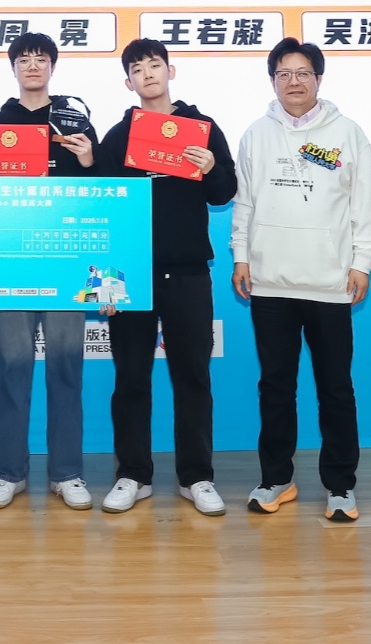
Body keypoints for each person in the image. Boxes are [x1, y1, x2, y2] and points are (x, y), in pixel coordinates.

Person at [231, 38, 371, 523]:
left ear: (318, 79)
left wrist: (362, 262)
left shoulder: (348, 133)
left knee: (335, 388)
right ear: (272, 80)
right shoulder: (256, 134)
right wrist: (241, 256)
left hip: (329, 284)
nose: (293, 82)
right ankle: (276, 479)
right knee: (275, 388)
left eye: (302, 73)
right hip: (270, 283)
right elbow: (244, 203)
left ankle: (340, 486)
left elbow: (365, 204)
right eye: (283, 74)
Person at [94, 38, 236, 516]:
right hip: (130, 275)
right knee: (130, 377)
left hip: (189, 270)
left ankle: (197, 477)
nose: (148, 74)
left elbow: (224, 192)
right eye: (138, 69)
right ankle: (133, 474)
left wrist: (211, 167)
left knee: (192, 376)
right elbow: (104, 214)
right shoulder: (118, 136)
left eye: (155, 65)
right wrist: (105, 283)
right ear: (128, 82)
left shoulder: (202, 128)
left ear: (170, 71)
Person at [0, 32, 100, 510]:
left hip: (67, 263)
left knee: (66, 369)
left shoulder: (75, 120)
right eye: (24, 59)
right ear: (14, 68)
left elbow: (102, 196)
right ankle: (9, 472)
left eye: (41, 58)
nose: (33, 65)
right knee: (13, 369)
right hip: (12, 265)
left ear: (53, 67)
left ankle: (67, 472)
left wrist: (88, 160)